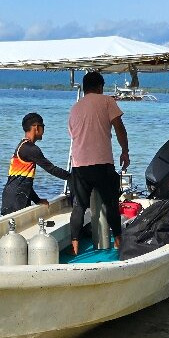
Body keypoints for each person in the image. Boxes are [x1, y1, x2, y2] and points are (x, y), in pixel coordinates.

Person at [67, 70, 129, 254]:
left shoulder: (75, 108)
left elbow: (73, 134)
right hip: (102, 162)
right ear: (100, 87)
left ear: (85, 88)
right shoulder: (107, 101)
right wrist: (125, 151)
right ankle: (119, 241)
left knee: (79, 206)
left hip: (79, 166)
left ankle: (75, 247)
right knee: (111, 204)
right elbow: (120, 129)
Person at [0, 112, 70, 216]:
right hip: (16, 200)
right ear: (36, 128)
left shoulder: (23, 146)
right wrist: (72, 177)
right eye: (43, 127)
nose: (44, 131)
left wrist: (37, 200)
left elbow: (23, 181)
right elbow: (51, 169)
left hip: (14, 196)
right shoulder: (30, 149)